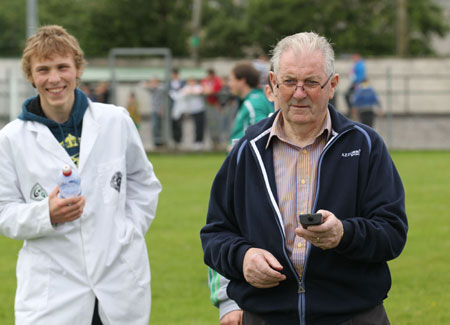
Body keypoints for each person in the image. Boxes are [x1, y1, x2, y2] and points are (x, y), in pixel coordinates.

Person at [201, 32, 408, 324]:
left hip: (352, 316)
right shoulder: (247, 149)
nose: (299, 93)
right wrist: (243, 258)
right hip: (266, 316)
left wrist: (343, 235)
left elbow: (393, 232)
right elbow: (215, 234)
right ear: (273, 83)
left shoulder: (365, 146)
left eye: (311, 82)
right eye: (289, 82)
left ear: (332, 85)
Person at [0, 25, 161, 324]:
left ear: (78, 69)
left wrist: (129, 229)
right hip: (53, 292)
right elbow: (3, 211)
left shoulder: (115, 120)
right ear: (31, 77)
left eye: (63, 67)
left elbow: (144, 183)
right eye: (43, 69)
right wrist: (44, 214)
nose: (54, 78)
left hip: (118, 279)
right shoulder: (11, 139)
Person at [227, 62, 274, 151]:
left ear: (242, 81)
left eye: (231, 80)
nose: (229, 84)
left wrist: (237, 148)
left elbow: (261, 130)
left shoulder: (253, 102)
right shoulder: (255, 98)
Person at [201, 68, 223, 150]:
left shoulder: (217, 80)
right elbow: (204, 90)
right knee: (210, 124)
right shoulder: (205, 80)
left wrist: (208, 90)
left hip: (216, 105)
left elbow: (213, 91)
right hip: (208, 105)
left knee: (218, 123)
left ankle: (218, 140)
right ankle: (213, 140)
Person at [144, 77, 166, 147]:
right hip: (154, 110)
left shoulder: (160, 89)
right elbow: (142, 85)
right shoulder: (152, 89)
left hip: (160, 110)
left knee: (160, 127)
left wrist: (162, 108)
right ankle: (156, 142)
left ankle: (161, 141)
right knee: (155, 127)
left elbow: (163, 99)